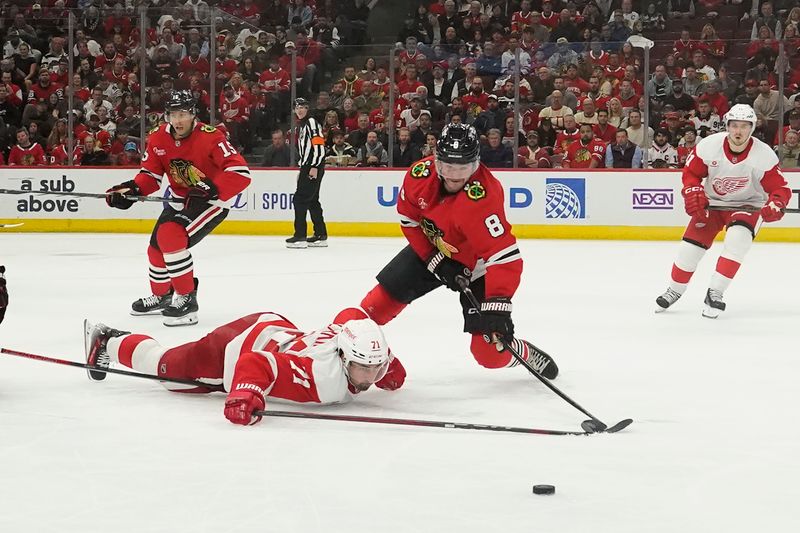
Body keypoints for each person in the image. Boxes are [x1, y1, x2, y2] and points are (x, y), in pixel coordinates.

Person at [357, 123, 559, 377]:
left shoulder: (484, 196)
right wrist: (436, 261)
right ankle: (344, 355)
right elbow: (410, 222)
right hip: (434, 248)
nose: (454, 176)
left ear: (475, 165)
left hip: (478, 269)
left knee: (488, 354)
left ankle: (523, 353)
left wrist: (498, 305)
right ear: (436, 161)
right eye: (447, 167)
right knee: (371, 309)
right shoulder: (419, 176)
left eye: (462, 168)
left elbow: (504, 257)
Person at [84, 308, 406, 426]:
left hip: (276, 329)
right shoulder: (322, 378)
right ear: (344, 358)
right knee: (164, 369)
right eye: (365, 369)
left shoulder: (361, 348)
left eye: (375, 368)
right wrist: (245, 393)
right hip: (236, 347)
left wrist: (387, 369)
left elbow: (350, 315)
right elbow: (255, 362)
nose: (371, 376)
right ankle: (108, 339)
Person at [104, 90, 251, 327]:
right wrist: (130, 190)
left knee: (170, 235)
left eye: (183, 114)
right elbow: (150, 176)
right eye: (173, 115)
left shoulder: (212, 137)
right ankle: (163, 296)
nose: (178, 120)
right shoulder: (157, 138)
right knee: (155, 249)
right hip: (178, 199)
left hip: (211, 201)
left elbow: (240, 173)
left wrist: (211, 189)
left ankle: (187, 299)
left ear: (193, 115)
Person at [654, 104, 791, 318]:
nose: (738, 131)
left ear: (752, 128)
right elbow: (691, 173)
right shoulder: (709, 146)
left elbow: (779, 189)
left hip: (748, 205)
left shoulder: (763, 155)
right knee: (689, 248)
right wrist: (692, 190)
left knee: (737, 241)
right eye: (734, 125)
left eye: (744, 126)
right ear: (727, 126)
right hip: (713, 203)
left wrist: (777, 203)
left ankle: (715, 293)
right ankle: (675, 290)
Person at [287, 98, 328, 249]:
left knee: (300, 199)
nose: (300, 110)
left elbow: (319, 146)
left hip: (313, 165)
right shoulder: (303, 125)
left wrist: (314, 166)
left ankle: (300, 236)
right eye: (297, 107)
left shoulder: (311, 123)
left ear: (307, 109)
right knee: (312, 200)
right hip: (308, 165)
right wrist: (302, 168)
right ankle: (320, 234)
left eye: (303, 107)